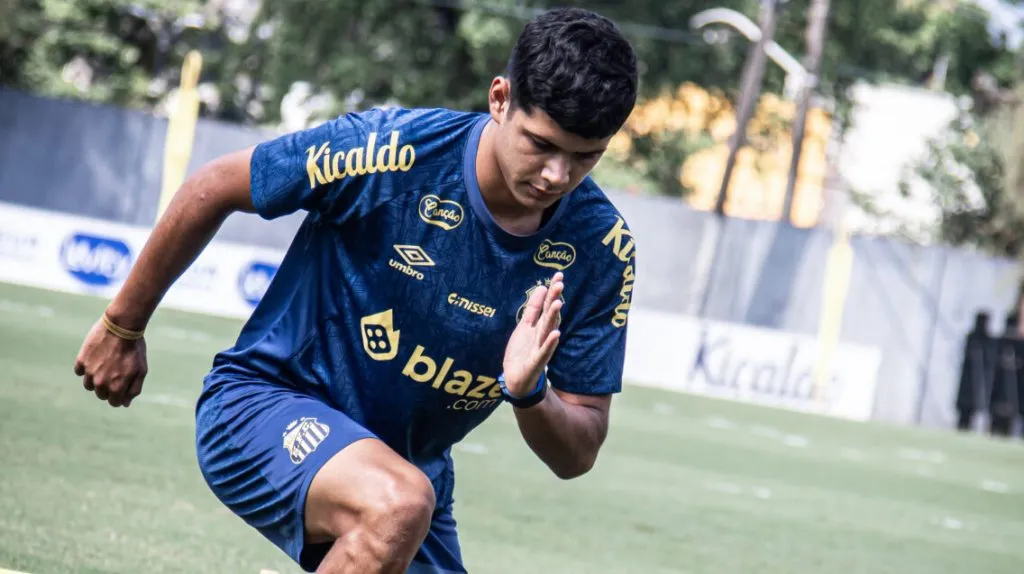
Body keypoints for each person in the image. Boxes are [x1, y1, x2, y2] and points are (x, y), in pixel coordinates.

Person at [73, 6, 638, 574]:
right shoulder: (388, 150)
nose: (556, 176)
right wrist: (122, 326)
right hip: (263, 407)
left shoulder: (603, 249)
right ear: (499, 99)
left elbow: (578, 452)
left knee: (402, 499)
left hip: (410, 472)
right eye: (541, 144)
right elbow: (214, 186)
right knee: (396, 503)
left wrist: (530, 390)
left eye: (585, 156)